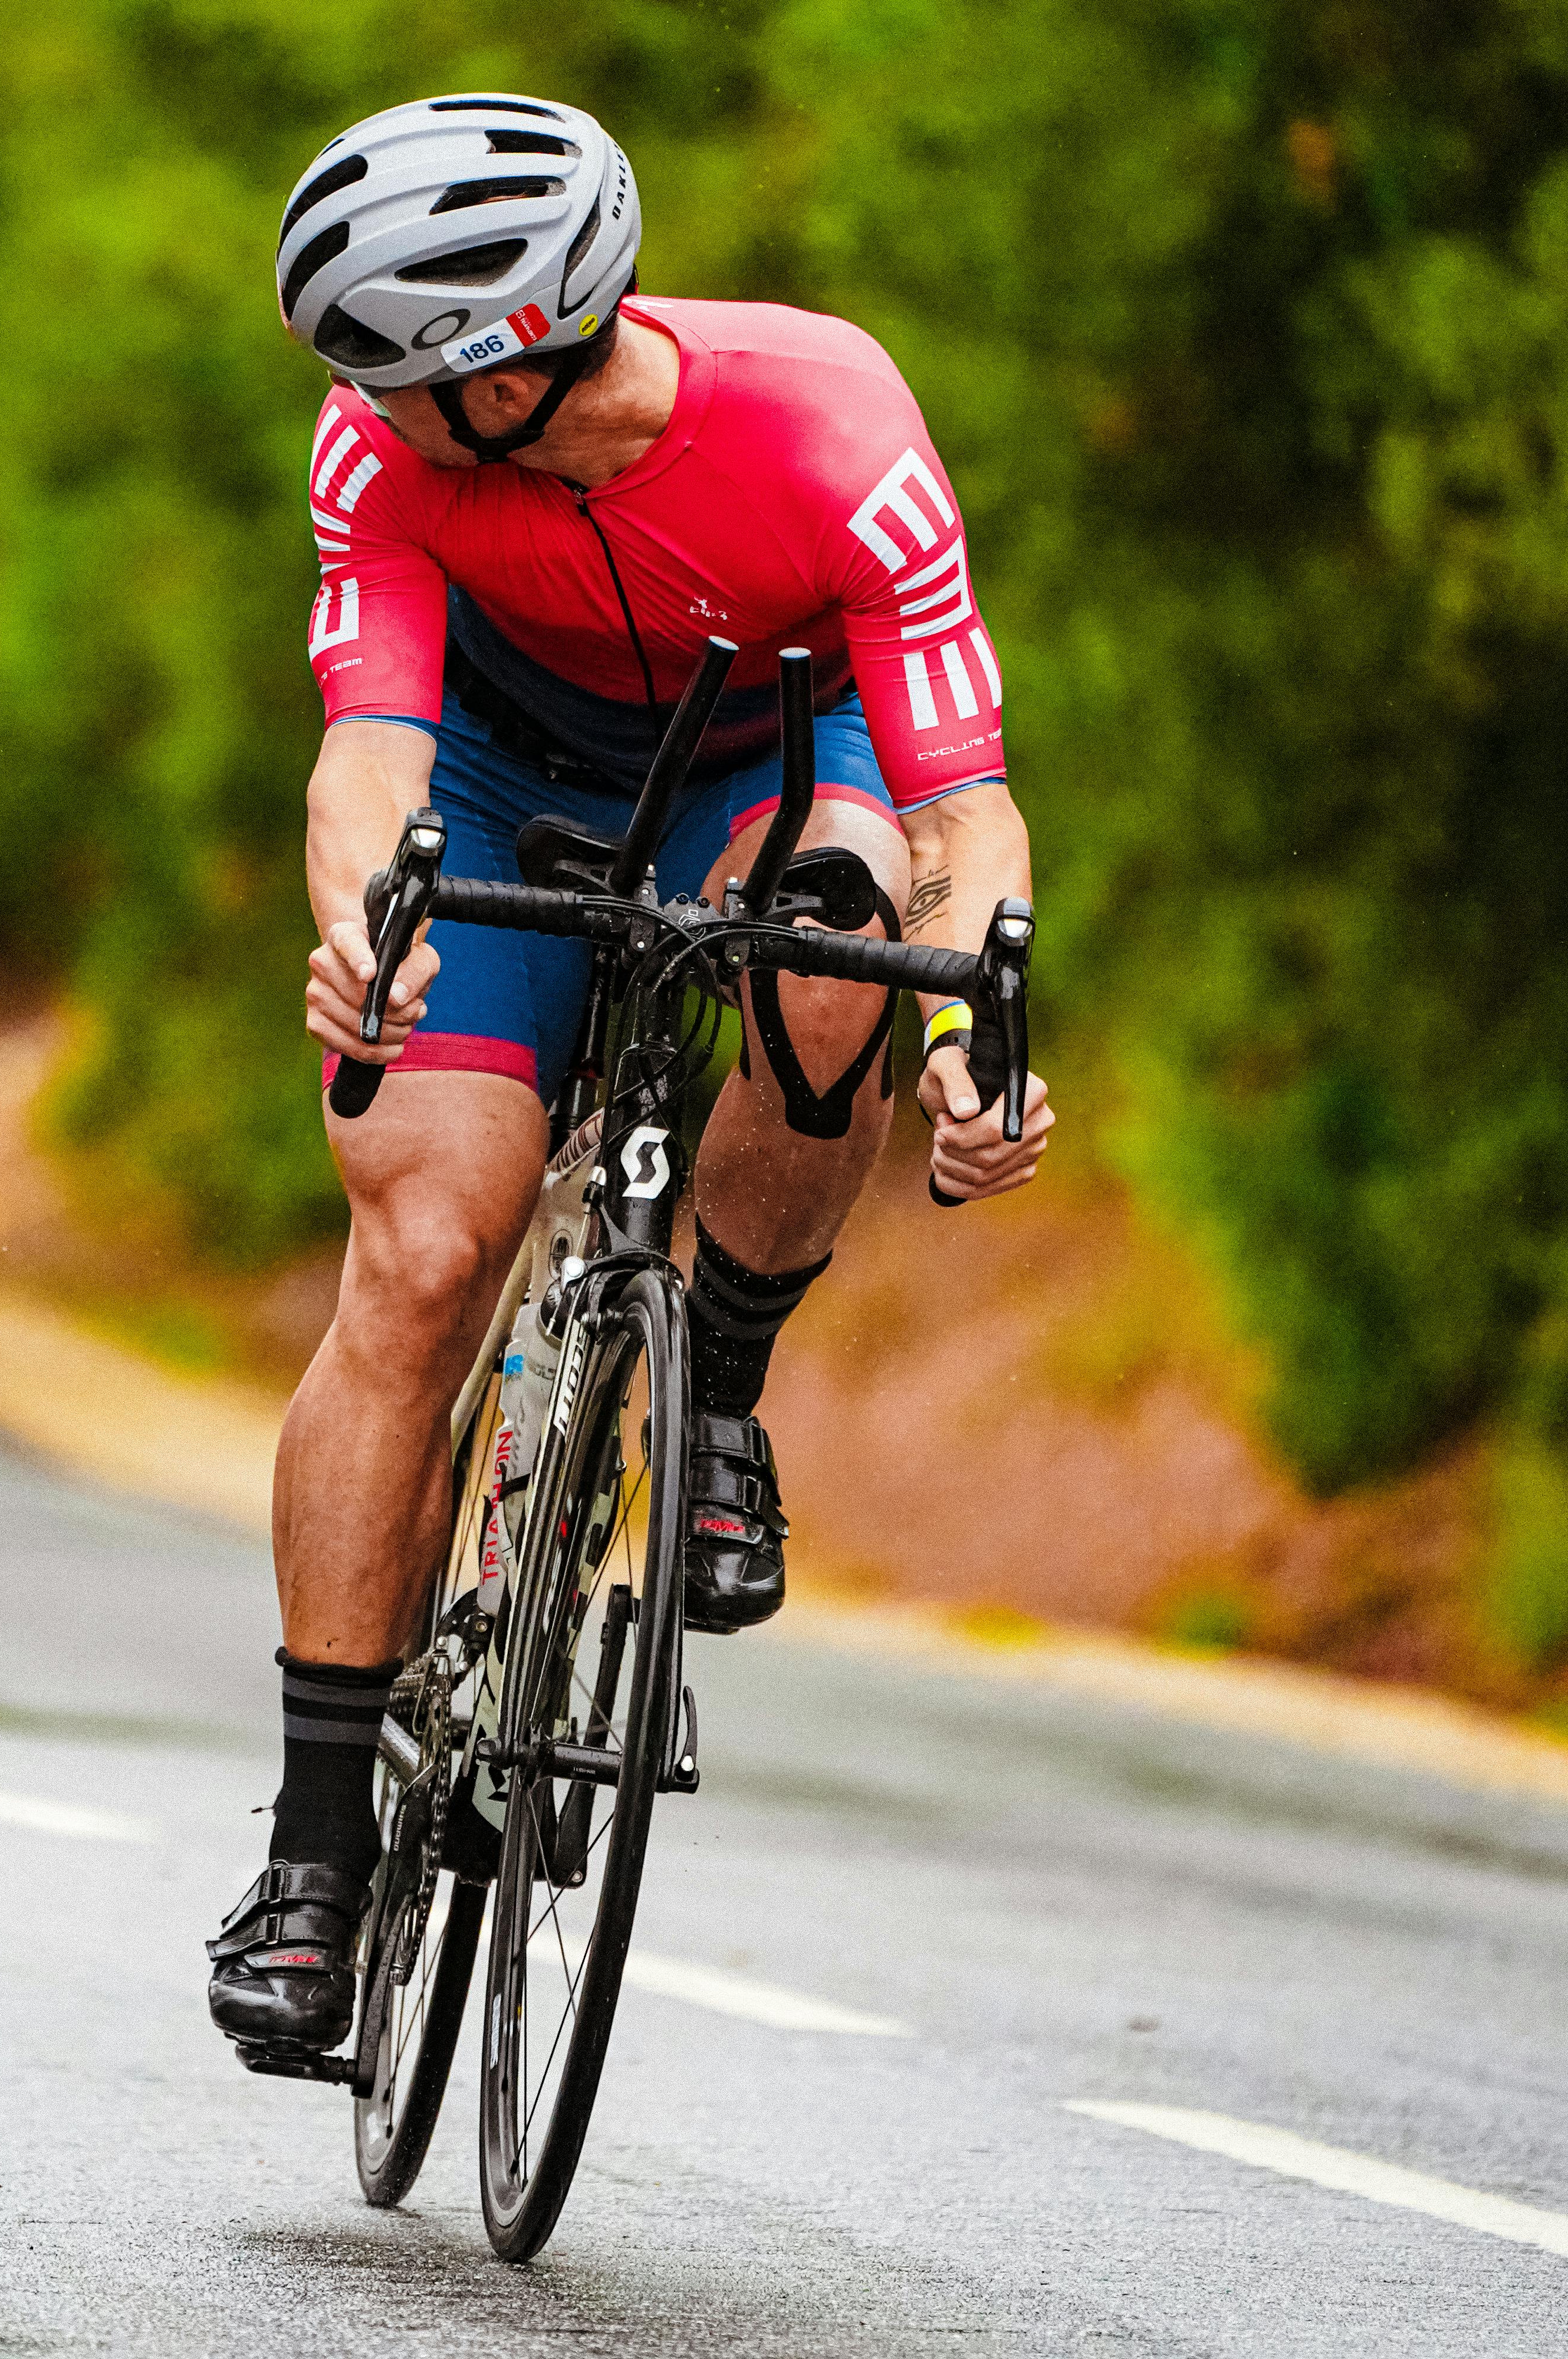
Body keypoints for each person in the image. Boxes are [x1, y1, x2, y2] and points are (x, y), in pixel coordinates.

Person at [206, 96, 1059, 2051]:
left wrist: (966, 1038)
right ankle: (319, 1854)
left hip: (780, 757)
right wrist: (367, 927)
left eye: (400, 379)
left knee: (835, 952)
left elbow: (965, 810)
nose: (361, 409)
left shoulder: (828, 425)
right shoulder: (387, 456)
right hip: (507, 774)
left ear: (512, 369)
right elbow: (373, 756)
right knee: (422, 1260)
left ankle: (723, 1398)